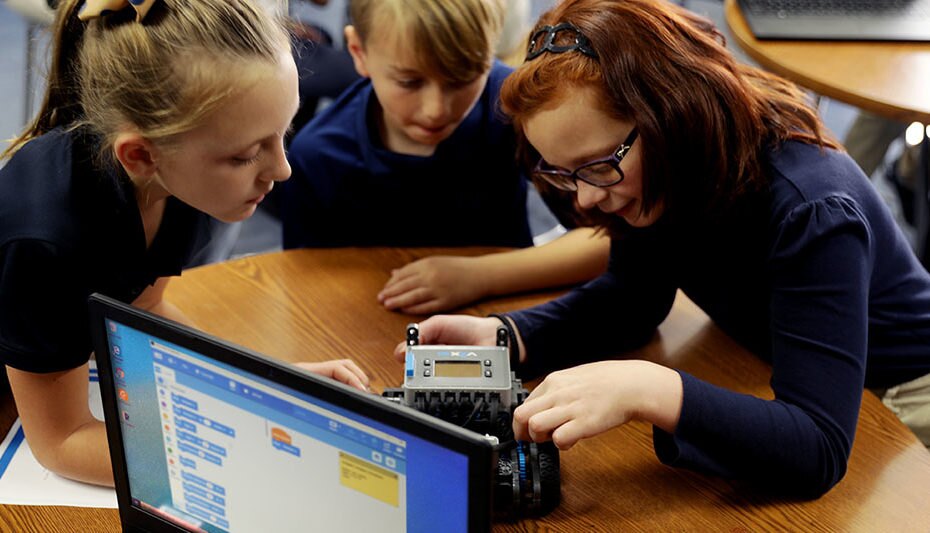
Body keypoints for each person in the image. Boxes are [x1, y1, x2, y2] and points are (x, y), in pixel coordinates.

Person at [395, 0, 930, 497]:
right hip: (771, 354)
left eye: (597, 165)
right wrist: (509, 335)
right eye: (564, 173)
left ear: (668, 116)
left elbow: (817, 447)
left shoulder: (811, 208)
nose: (586, 197)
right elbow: (632, 297)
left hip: (901, 392)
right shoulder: (657, 170)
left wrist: (649, 389)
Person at [0, 0, 370, 487]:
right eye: (246, 154)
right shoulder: (42, 241)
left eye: (284, 132)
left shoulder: (181, 180)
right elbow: (62, 442)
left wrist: (270, 391)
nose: (282, 170)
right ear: (140, 155)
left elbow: (143, 306)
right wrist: (249, 447)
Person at [280, 0, 610, 315]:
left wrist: (480, 276)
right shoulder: (318, 156)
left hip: (508, 318)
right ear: (359, 52)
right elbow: (303, 289)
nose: (436, 110)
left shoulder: (513, 109)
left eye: (462, 79)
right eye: (410, 82)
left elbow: (613, 241)